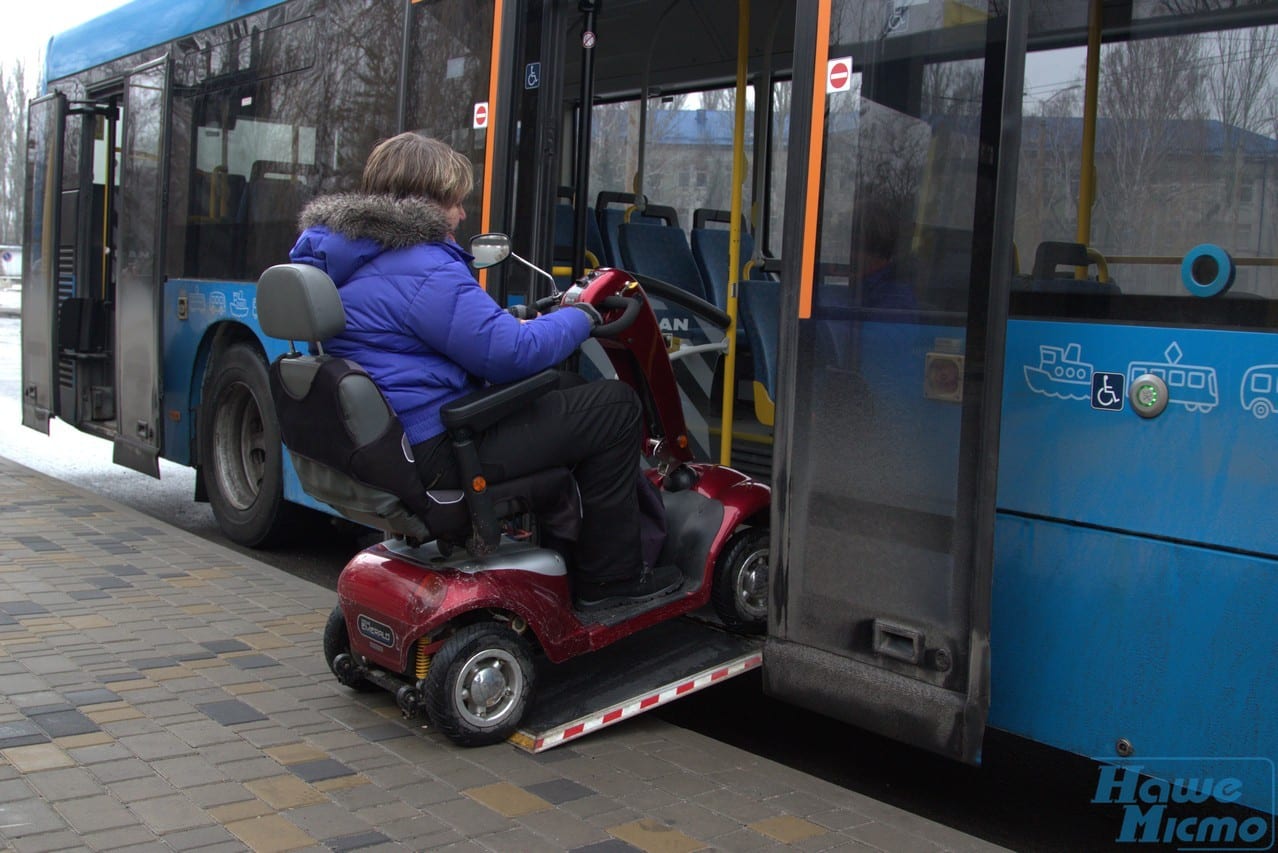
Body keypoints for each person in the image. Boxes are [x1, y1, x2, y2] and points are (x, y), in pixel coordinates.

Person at [288, 132, 680, 611]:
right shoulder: (424, 264)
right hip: (441, 449)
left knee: (569, 390)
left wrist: (512, 320)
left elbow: (431, 336)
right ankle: (610, 579)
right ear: (427, 202)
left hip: (398, 441)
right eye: (455, 202)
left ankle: (566, 546)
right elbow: (509, 355)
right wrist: (583, 316)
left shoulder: (352, 256)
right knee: (615, 408)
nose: (462, 215)